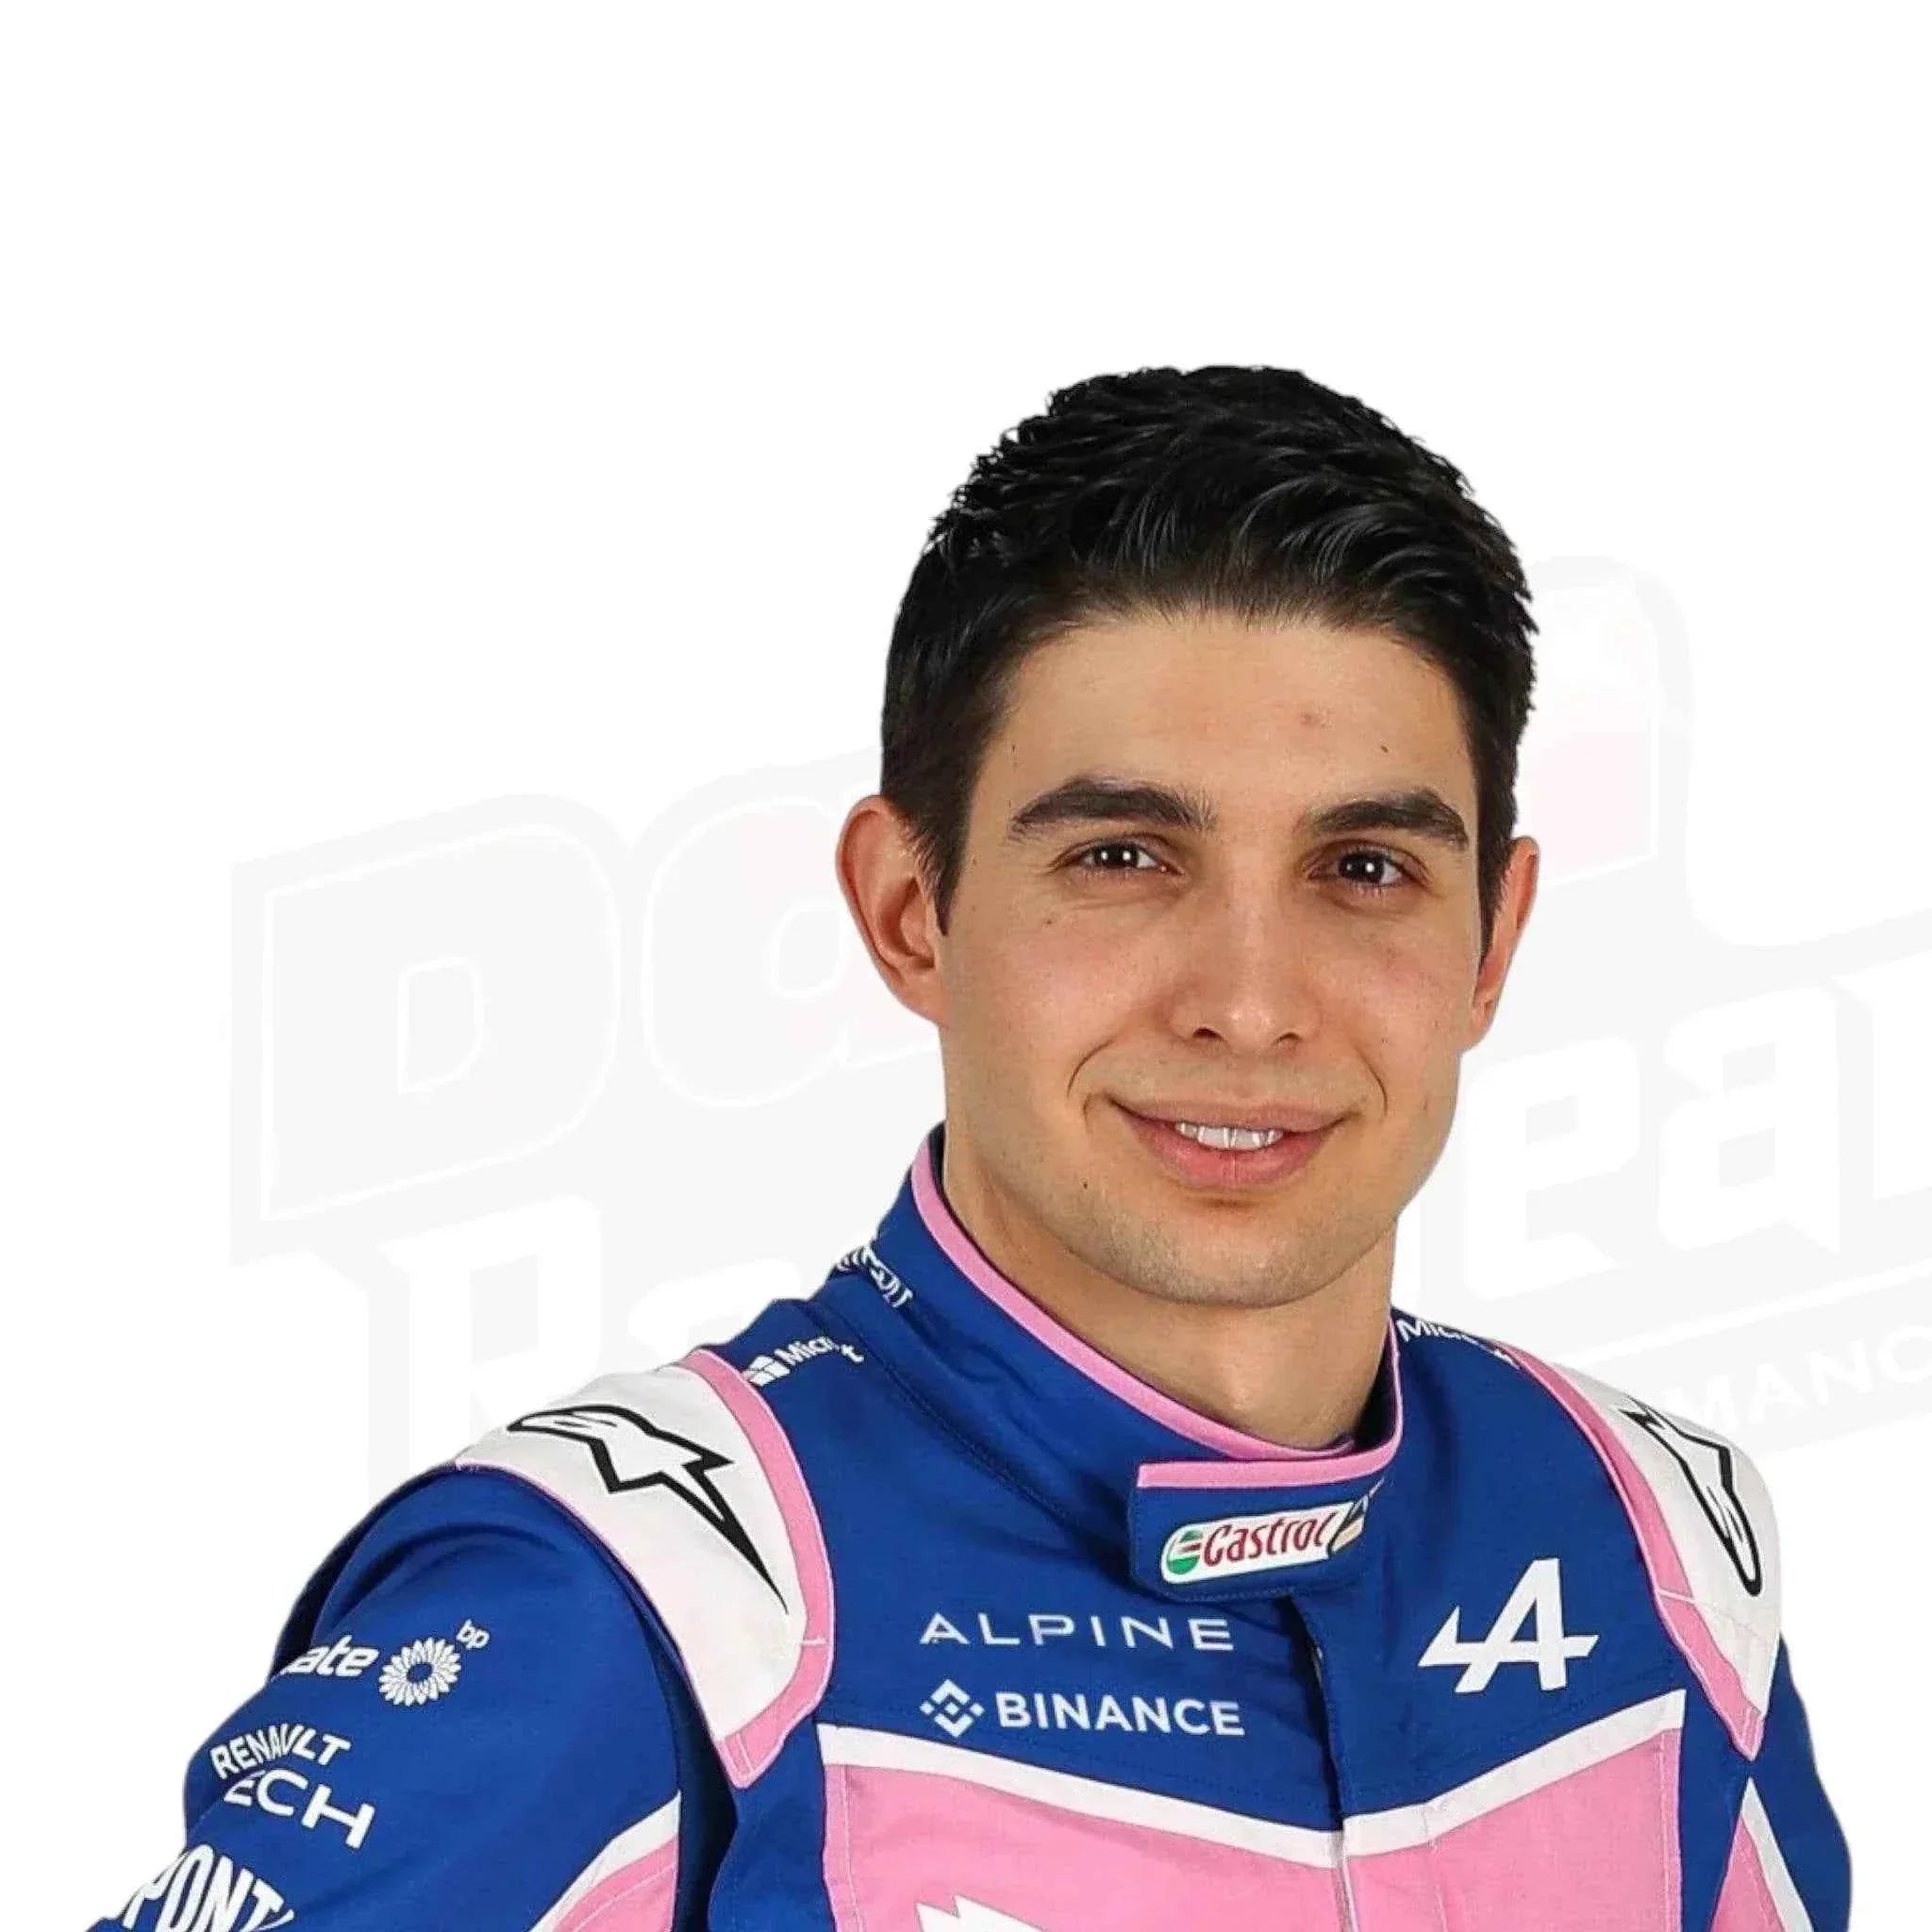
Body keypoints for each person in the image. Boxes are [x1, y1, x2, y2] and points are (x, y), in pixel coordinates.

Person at [94, 367, 1849, 1932]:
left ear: (1492, 939)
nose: (1251, 1003)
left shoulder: (1656, 1537)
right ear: (908, 909)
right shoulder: (642, 1606)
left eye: (1365, 869)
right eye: (1123, 859)